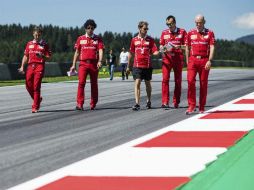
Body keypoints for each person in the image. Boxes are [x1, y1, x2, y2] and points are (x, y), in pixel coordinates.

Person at [70, 19, 104, 111]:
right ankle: (79, 103)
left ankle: (93, 103)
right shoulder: (80, 39)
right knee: (81, 83)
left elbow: (101, 50)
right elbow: (77, 52)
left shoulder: (97, 39)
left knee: (94, 84)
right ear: (85, 28)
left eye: (92, 28)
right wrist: (73, 65)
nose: (90, 29)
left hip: (94, 64)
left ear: (94, 28)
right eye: (88, 28)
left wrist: (100, 61)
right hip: (83, 64)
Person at [185, 14, 215, 114]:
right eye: (196, 23)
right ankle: (191, 106)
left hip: (204, 60)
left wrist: (210, 60)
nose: (198, 24)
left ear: (204, 22)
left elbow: (212, 47)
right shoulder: (190, 33)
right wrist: (187, 60)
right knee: (190, 81)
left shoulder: (210, 33)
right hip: (193, 60)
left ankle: (201, 107)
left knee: (203, 84)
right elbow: (187, 47)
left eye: (200, 22)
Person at [127, 21, 159, 111]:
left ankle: (148, 101)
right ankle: (137, 103)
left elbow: (155, 51)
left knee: (147, 83)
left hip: (147, 66)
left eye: (147, 29)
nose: (146, 30)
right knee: (137, 82)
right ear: (139, 28)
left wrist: (159, 52)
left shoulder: (150, 40)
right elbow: (131, 53)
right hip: (137, 65)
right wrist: (128, 66)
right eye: (144, 29)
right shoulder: (134, 40)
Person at [18, 26, 51, 113]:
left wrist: (42, 56)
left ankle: (35, 106)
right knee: (28, 84)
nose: (37, 37)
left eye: (38, 35)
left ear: (41, 35)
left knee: (36, 86)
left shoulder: (44, 44)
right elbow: (25, 56)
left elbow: (48, 57)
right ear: (33, 34)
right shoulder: (29, 44)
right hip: (30, 66)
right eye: (35, 35)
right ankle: (37, 99)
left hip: (39, 66)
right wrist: (22, 66)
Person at [160, 15, 187, 109]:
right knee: (165, 80)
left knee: (178, 81)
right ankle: (165, 101)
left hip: (178, 59)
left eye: (171, 24)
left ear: (175, 22)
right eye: (167, 24)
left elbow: (187, 46)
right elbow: (161, 46)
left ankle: (176, 102)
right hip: (167, 59)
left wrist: (179, 47)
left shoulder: (182, 32)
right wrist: (163, 49)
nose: (169, 26)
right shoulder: (164, 33)